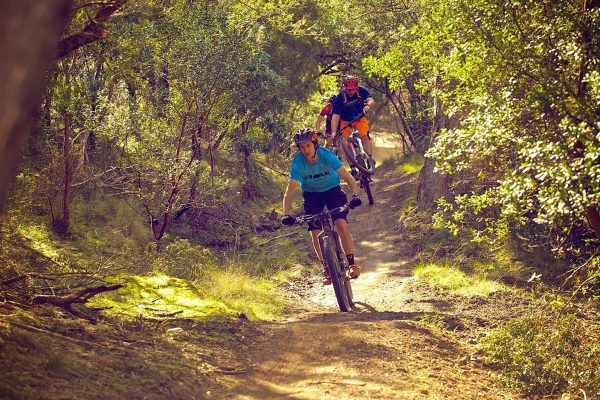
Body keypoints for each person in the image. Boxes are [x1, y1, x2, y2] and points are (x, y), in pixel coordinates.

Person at [281, 128, 362, 285]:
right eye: (302, 147)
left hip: (332, 190)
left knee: (341, 224)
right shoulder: (298, 162)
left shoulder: (326, 155)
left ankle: (352, 263)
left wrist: (355, 196)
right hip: (312, 195)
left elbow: (347, 177)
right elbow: (289, 191)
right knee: (315, 233)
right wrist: (286, 214)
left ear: (314, 143)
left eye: (308, 146)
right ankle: (326, 267)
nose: (305, 150)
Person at [330, 75, 375, 181]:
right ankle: (353, 169)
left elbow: (371, 100)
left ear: (356, 87)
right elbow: (335, 116)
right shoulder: (339, 97)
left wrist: (368, 105)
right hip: (345, 121)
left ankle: (369, 159)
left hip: (359, 118)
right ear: (345, 87)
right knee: (346, 143)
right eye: (348, 89)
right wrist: (333, 132)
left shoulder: (361, 91)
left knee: (364, 136)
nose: (350, 91)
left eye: (353, 89)